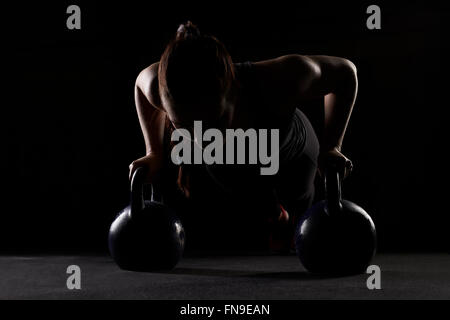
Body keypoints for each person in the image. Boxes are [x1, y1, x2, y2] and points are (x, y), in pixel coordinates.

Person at [129, 21, 356, 252]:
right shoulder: (158, 85)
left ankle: (284, 219)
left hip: (292, 154)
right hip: (237, 162)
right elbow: (140, 83)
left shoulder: (281, 77)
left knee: (294, 232)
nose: (200, 137)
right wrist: (154, 152)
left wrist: (332, 146)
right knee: (224, 162)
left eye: (212, 122)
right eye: (183, 126)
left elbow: (346, 72)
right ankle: (272, 216)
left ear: (233, 87)